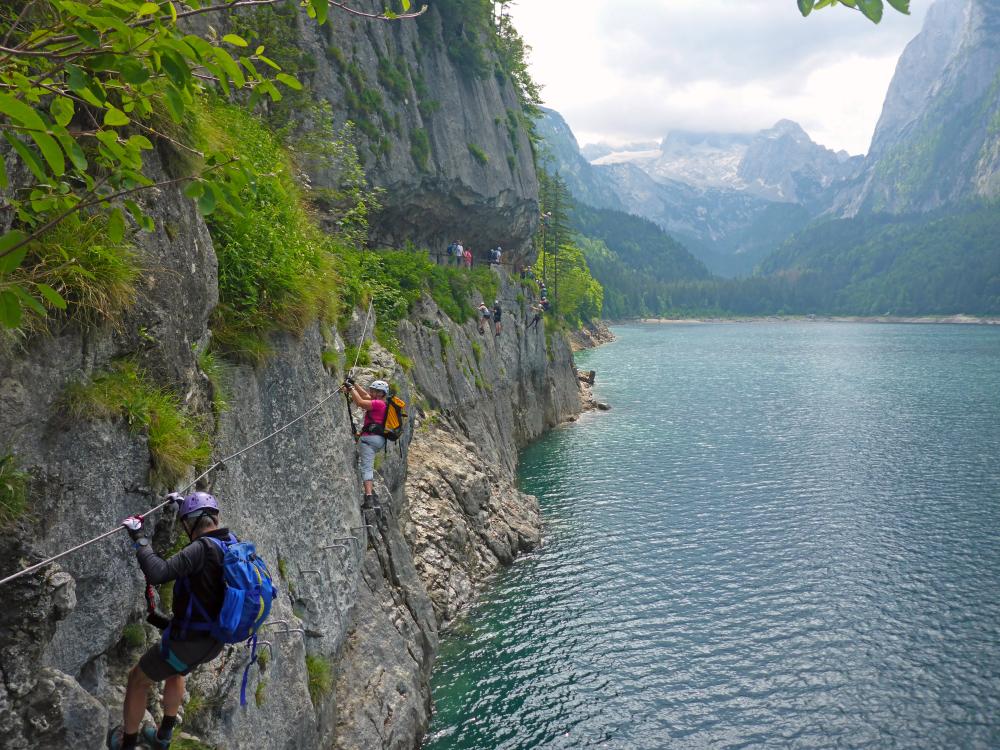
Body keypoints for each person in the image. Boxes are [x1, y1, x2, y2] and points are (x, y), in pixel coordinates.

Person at [109, 492, 233, 750]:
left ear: (188, 525)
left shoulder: (201, 548)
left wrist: (140, 539)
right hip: (214, 639)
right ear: (216, 517)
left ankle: (127, 745)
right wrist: (182, 506)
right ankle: (163, 738)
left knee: (137, 679)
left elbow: (158, 573)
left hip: (188, 641)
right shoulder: (230, 543)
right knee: (176, 669)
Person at [342, 378, 389, 509]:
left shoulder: (379, 404)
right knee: (367, 465)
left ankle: (369, 498)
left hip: (370, 439)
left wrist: (350, 388)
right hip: (377, 439)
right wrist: (355, 384)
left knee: (367, 467)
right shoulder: (382, 403)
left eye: (374, 391)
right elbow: (365, 396)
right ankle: (369, 496)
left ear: (381, 394)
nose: (371, 392)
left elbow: (361, 402)